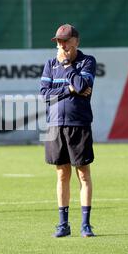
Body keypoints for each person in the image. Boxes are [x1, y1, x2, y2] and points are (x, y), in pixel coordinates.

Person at [40, 23, 96, 238]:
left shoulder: (87, 61)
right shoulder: (50, 64)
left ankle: (85, 224)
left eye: (65, 41)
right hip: (54, 125)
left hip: (79, 124)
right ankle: (63, 224)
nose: (62, 45)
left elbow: (82, 86)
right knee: (62, 174)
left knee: (83, 173)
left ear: (76, 41)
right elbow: (45, 94)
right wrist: (69, 89)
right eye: (59, 41)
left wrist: (68, 66)